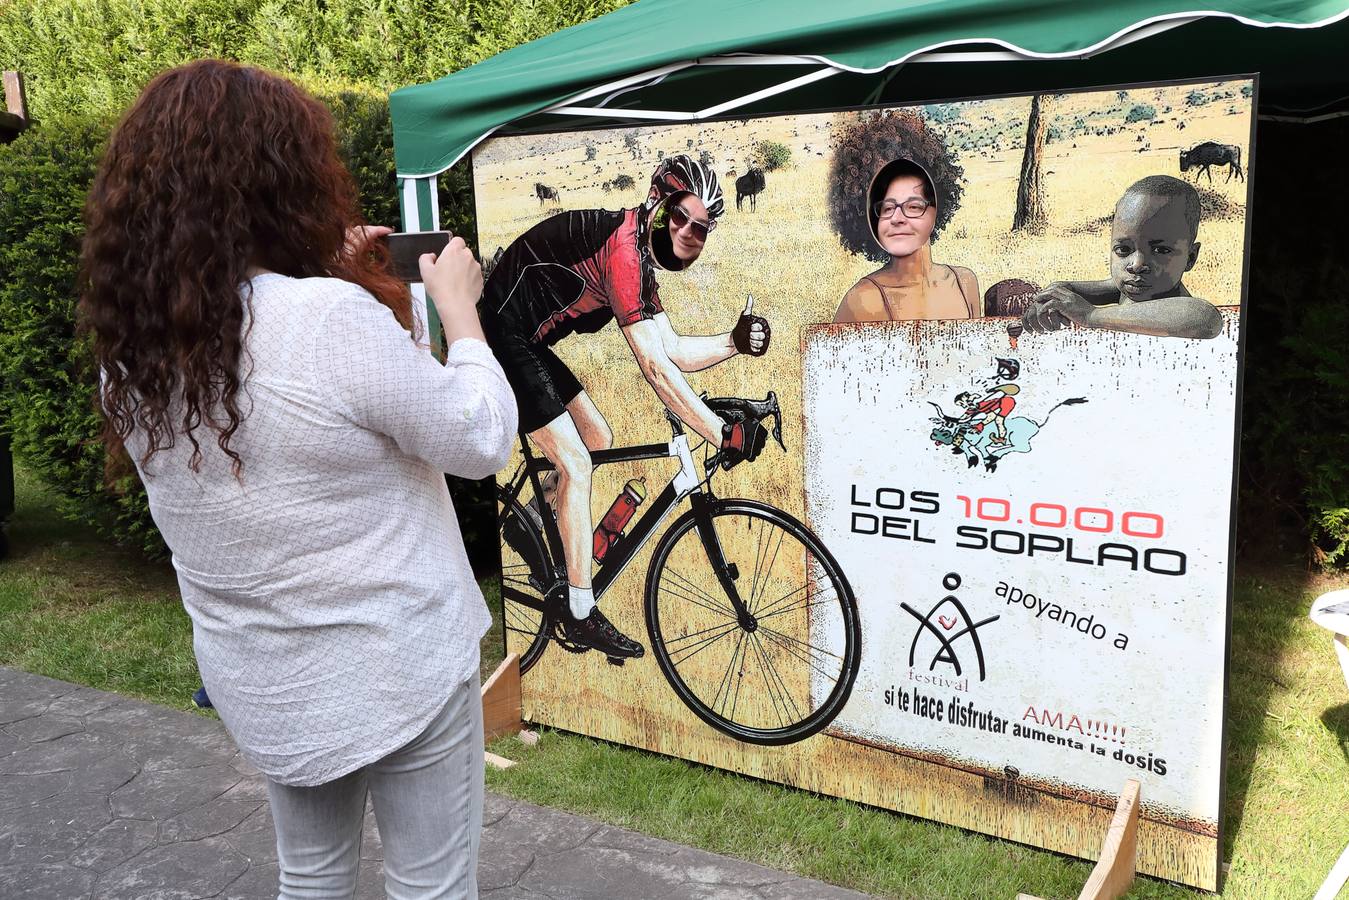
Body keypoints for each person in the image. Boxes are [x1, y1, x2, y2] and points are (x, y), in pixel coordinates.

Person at [79, 60, 515, 898]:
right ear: (283, 179)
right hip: (400, 665)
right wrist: (459, 310)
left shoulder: (130, 358)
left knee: (309, 878)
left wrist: (345, 285)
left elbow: (309, 405)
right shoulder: (322, 321)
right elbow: (477, 438)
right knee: (431, 887)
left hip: (270, 679)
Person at [481, 155, 770, 662]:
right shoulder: (624, 252)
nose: (687, 233)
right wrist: (719, 433)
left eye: (701, 228)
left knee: (597, 439)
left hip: (526, 337)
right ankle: (579, 610)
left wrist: (732, 342)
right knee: (574, 461)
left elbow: (672, 349)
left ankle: (527, 522)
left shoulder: (640, 256)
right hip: (501, 332)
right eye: (680, 217)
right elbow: (656, 370)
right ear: (657, 203)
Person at [1022, 175, 1224, 339]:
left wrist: (1091, 315)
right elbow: (1101, 287)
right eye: (1123, 250)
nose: (1136, 265)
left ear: (1190, 258)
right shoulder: (1132, 287)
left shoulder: (1179, 305)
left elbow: (1204, 317)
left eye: (1160, 251)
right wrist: (1060, 292)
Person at [834, 158, 980, 323]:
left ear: (935, 212)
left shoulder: (965, 283)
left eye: (913, 206)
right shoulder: (862, 300)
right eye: (887, 208)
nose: (897, 218)